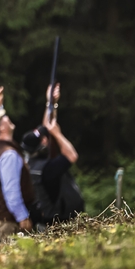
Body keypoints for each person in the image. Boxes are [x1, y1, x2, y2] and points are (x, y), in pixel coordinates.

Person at [21, 83, 84, 227]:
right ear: (40, 147)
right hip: (60, 224)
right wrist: (57, 134)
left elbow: (47, 127)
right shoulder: (48, 168)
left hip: (49, 222)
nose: (46, 139)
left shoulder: (32, 162)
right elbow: (72, 155)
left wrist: (51, 103)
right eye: (42, 140)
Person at [0, 86, 34, 242]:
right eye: (4, 118)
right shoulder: (8, 154)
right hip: (9, 222)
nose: (7, 117)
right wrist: (22, 217)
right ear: (2, 127)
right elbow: (11, 192)